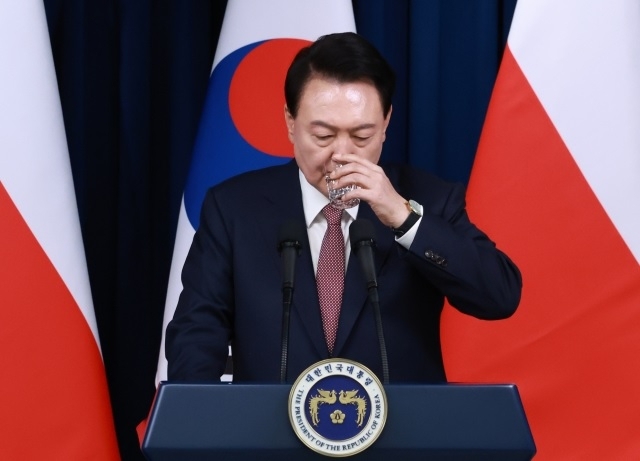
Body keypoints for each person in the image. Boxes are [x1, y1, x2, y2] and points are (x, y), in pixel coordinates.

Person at [166, 32, 521, 383]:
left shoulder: (428, 198)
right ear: (291, 123)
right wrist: (197, 424)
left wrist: (403, 218)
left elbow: (499, 295)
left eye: (361, 136)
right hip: (269, 433)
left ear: (385, 124)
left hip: (400, 434)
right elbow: (197, 331)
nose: (342, 154)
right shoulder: (234, 208)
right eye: (323, 136)